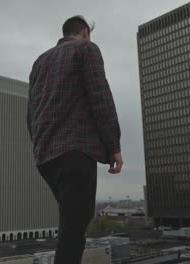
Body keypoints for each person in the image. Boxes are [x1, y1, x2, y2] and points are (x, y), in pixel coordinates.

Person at [27, 15, 122, 264]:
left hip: (45, 156)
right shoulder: (86, 49)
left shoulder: (40, 61)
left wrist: (38, 145)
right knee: (74, 231)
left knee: (72, 222)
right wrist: (113, 145)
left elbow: (31, 111)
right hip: (76, 150)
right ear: (84, 32)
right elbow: (100, 96)